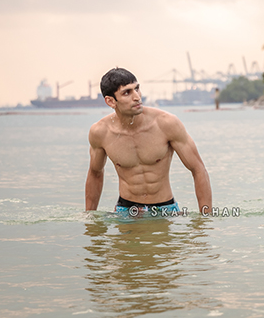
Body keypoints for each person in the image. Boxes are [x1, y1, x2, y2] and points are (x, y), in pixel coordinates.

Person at [85, 67, 212, 216]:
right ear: (111, 101)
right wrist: (89, 217)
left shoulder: (166, 123)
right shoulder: (100, 132)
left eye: (137, 89)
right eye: (127, 92)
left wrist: (206, 217)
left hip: (165, 209)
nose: (137, 97)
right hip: (126, 211)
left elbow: (198, 169)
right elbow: (95, 173)